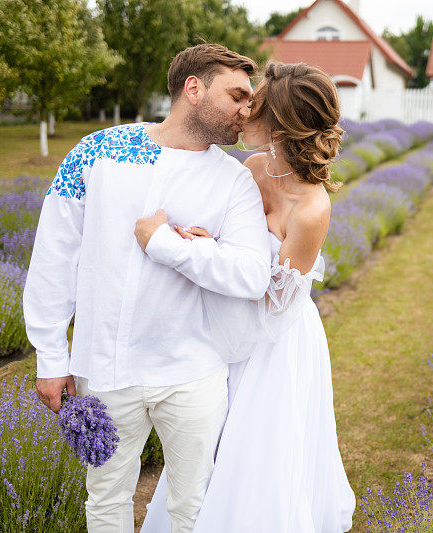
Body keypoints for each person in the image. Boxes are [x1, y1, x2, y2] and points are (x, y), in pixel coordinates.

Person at [24, 43, 272, 533]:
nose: (248, 110)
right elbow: (54, 256)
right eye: (238, 95)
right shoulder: (96, 153)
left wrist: (169, 244)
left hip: (193, 371)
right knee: (106, 498)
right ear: (193, 89)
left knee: (193, 505)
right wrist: (50, 358)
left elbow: (251, 274)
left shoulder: (235, 181)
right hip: (104, 368)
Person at [140, 62, 356, 532]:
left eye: (253, 106)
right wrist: (204, 241)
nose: (243, 114)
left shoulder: (312, 208)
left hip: (275, 339)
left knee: (260, 442)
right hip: (228, 319)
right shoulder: (254, 167)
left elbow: (276, 299)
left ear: (280, 125)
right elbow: (231, 238)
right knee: (206, 433)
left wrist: (210, 259)